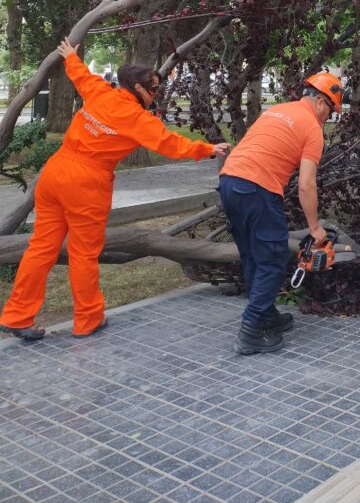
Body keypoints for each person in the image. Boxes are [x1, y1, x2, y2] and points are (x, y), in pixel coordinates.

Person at [0, 37, 229, 341]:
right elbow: (172, 144)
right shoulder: (136, 119)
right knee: (83, 254)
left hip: (54, 174)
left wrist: (70, 55)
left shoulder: (100, 93)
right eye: (154, 88)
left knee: (41, 247)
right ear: (138, 89)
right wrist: (209, 149)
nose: (156, 93)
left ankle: (17, 315)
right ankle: (87, 319)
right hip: (86, 183)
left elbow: (82, 76)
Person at [217, 71, 342, 356]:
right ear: (322, 102)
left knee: (252, 253)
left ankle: (267, 315)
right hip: (257, 188)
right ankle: (250, 331)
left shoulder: (278, 110)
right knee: (272, 258)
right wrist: (315, 228)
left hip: (229, 182)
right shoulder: (312, 128)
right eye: (331, 112)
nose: (328, 117)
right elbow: (307, 184)